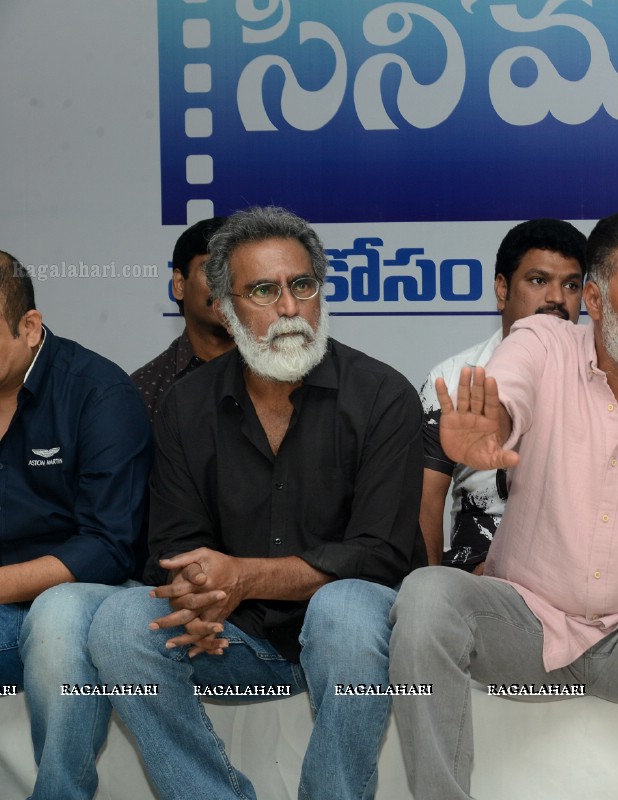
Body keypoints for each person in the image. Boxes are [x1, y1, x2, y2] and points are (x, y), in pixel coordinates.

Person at [391, 208, 618, 799]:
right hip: (527, 627)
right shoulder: (542, 340)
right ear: (594, 296)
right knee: (427, 593)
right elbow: (509, 393)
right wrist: (492, 425)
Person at [89, 206, 426, 799]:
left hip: (350, 644)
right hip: (230, 639)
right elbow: (173, 546)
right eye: (264, 291)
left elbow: (380, 556)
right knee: (119, 622)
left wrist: (243, 576)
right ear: (223, 305)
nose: (290, 308)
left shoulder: (382, 395)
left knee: (344, 611)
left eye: (302, 286)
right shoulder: (187, 404)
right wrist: (204, 596)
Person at [0, 250, 153, 799]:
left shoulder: (98, 393)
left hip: (83, 592)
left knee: (58, 620)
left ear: (30, 326)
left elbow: (108, 547)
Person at [419, 218, 587, 571]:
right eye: (538, 281)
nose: (556, 298)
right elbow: (426, 506)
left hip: (578, 577)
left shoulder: (605, 378)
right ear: (501, 290)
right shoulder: (451, 379)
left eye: (571, 285)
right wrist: (430, 589)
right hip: (474, 577)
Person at [131, 216, 234, 419]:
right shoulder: (143, 390)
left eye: (237, 271)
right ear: (179, 284)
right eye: (213, 269)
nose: (226, 283)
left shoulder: (284, 373)